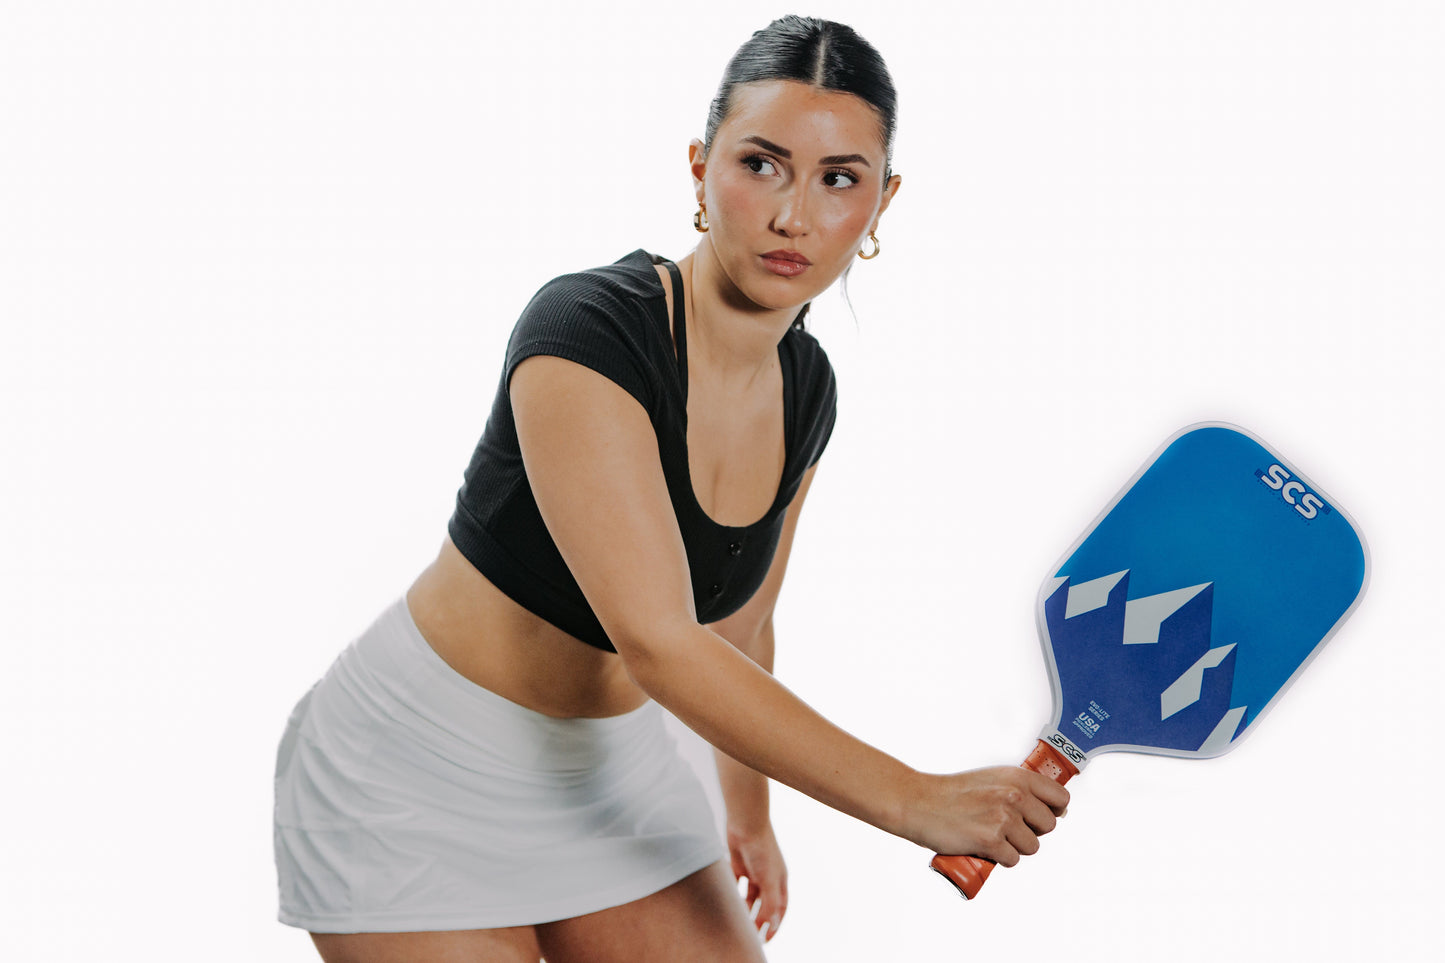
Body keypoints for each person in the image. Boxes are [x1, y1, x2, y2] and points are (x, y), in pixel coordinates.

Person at [273, 15, 1069, 963]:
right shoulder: (587, 332)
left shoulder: (806, 387)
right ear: (699, 168)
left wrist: (749, 813)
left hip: (609, 773)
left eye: (838, 179)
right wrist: (913, 797)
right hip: (414, 771)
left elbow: (739, 629)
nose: (793, 217)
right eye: (761, 164)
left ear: (882, 202)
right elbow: (661, 641)